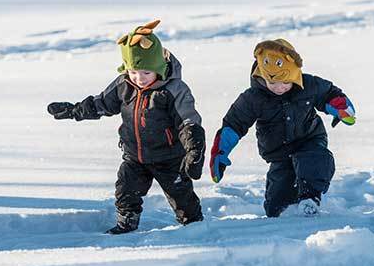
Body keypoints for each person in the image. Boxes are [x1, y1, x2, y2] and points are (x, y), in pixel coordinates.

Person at [47, 20, 205, 234]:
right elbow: (101, 103)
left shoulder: (174, 90)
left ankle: (194, 225)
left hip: (169, 157)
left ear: (158, 67)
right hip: (134, 156)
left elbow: (188, 121)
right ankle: (126, 223)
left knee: (181, 196)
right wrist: (75, 110)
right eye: (133, 72)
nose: (139, 78)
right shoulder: (124, 85)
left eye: (146, 73)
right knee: (125, 190)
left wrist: (194, 150)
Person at [209, 38, 356, 217]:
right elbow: (234, 124)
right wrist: (220, 152)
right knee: (276, 205)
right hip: (279, 153)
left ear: (294, 76)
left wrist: (340, 107)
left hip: (308, 140)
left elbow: (329, 94)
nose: (279, 88)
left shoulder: (308, 85)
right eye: (273, 83)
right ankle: (282, 215)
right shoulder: (253, 98)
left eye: (285, 82)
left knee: (314, 160)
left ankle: (310, 198)